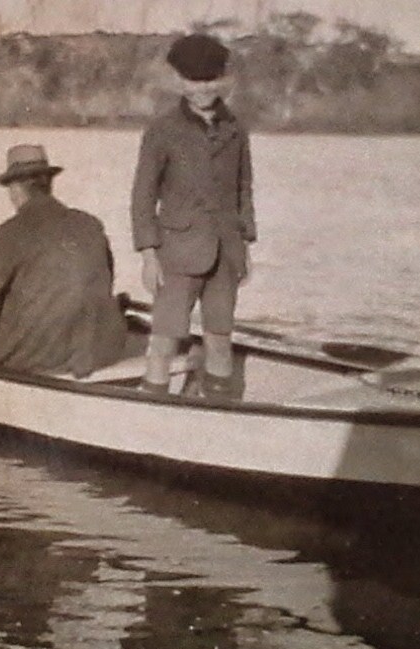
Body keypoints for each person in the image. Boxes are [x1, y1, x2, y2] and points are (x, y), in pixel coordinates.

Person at [131, 33, 257, 397]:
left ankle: (220, 410)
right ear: (179, 81)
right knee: (164, 340)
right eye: (193, 81)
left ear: (223, 80)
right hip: (176, 255)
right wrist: (149, 256)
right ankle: (152, 406)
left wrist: (245, 245)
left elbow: (244, 188)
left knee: (219, 338)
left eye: (210, 80)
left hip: (226, 253)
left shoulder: (236, 129)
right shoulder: (162, 130)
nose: (202, 89)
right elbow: (142, 197)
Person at [0, 144, 128, 378]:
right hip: (97, 351)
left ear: (16, 188)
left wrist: (8, 313)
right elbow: (105, 280)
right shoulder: (90, 224)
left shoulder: (9, 233)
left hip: (39, 356)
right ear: (49, 184)